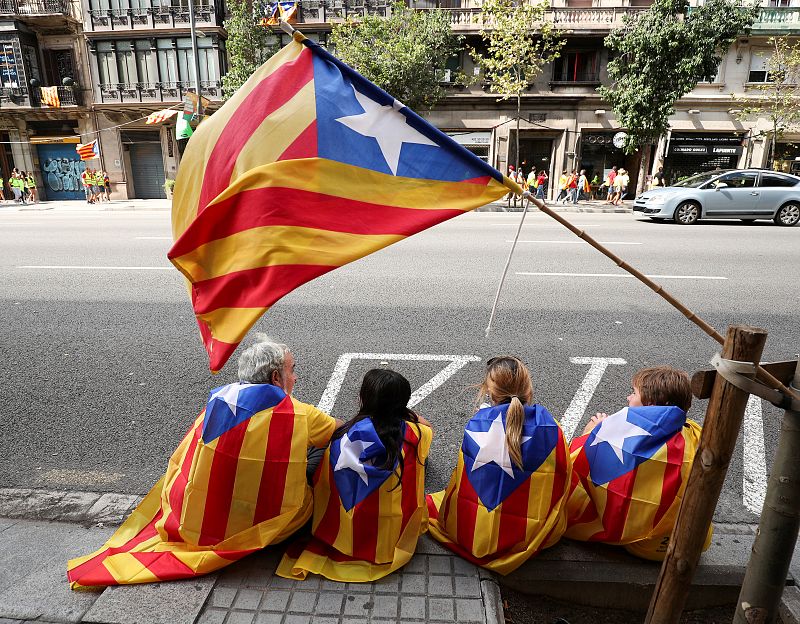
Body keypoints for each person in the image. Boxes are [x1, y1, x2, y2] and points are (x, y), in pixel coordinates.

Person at [67, 336, 343, 588]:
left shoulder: (219, 401)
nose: (295, 378)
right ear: (275, 378)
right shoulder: (298, 413)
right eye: (292, 371)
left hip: (204, 522)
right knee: (325, 450)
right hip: (274, 524)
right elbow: (340, 429)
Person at [278, 368, 434, 582]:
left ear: (363, 399)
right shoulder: (417, 435)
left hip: (343, 535)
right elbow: (426, 426)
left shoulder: (342, 438)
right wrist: (404, 413)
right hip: (392, 538)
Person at [426, 356, 571, 575]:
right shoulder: (551, 427)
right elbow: (562, 477)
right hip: (530, 535)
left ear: (490, 393)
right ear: (528, 389)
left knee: (431, 501)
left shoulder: (479, 424)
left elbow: (462, 481)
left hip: (473, 533)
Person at [565, 366, 711, 561]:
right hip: (692, 541)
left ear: (650, 407)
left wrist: (592, 434)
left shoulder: (616, 440)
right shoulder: (695, 433)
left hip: (645, 545)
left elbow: (575, 467)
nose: (628, 398)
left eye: (634, 393)